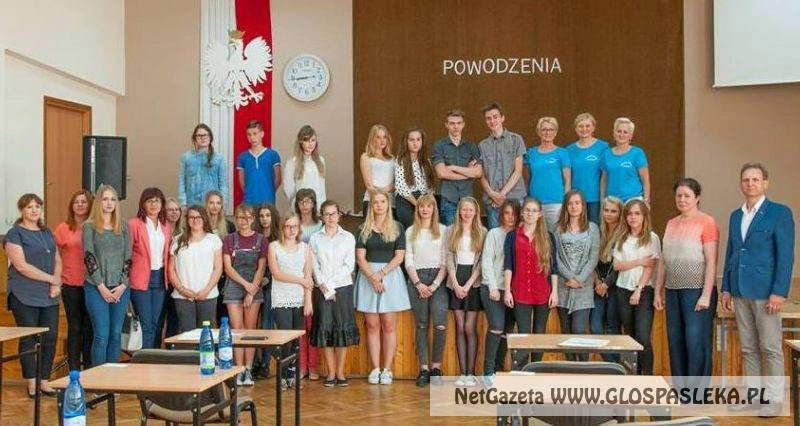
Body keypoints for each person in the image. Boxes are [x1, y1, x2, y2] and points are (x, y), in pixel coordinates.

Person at [721, 163, 795, 417]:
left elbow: (785, 256)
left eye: (755, 179)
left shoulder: (779, 213)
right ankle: (754, 398)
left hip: (766, 293)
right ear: (741, 184)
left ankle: (774, 400)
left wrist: (779, 292)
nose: (750, 184)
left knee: (770, 348)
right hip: (740, 291)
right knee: (748, 348)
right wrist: (726, 288)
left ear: (765, 183)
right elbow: (731, 253)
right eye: (746, 180)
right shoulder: (736, 215)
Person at [654, 178, 719, 379]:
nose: (682, 199)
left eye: (687, 196)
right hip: (673, 290)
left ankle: (696, 392)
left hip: (697, 291)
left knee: (695, 341)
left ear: (697, 198)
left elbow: (711, 261)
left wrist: (706, 295)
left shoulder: (707, 222)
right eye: (679, 195)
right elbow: (663, 260)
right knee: (676, 341)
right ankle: (681, 390)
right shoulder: (671, 223)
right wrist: (658, 291)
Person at [4, 194, 60, 396]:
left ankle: (44, 381)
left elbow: (57, 258)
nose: (34, 210)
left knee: (50, 338)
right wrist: (51, 279)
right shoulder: (14, 233)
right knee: (29, 339)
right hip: (24, 294)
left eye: (37, 206)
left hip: (49, 294)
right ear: (22, 210)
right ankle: (32, 383)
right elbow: (21, 266)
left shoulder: (47, 232)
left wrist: (56, 282)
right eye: (29, 207)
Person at [355, 189, 409, 385]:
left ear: (388, 205)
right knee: (372, 325)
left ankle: (387, 369)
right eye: (375, 202)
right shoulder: (363, 228)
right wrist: (372, 277)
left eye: (382, 202)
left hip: (390, 277)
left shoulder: (398, 227)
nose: (379, 205)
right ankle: (375, 368)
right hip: (368, 277)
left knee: (388, 325)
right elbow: (360, 257)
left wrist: (382, 274)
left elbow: (400, 256)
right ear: (371, 205)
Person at [309, 200, 360, 387]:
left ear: (339, 215)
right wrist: (323, 285)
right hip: (322, 289)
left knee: (341, 330)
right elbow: (314, 264)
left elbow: (349, 265)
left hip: (342, 288)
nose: (330, 217)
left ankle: (340, 372)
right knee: (326, 329)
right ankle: (330, 373)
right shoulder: (315, 238)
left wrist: (330, 285)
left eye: (333, 213)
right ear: (322, 216)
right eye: (326, 214)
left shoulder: (348, 237)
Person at [504, 197, 558, 369]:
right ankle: (522, 372)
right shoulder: (512, 236)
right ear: (522, 213)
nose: (530, 213)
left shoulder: (548, 237)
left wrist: (555, 292)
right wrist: (507, 290)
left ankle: (536, 369)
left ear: (540, 214)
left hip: (542, 292)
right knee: (523, 334)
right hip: (520, 292)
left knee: (539, 334)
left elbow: (553, 268)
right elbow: (508, 265)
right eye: (527, 210)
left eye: (534, 210)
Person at [82, 185, 131, 367]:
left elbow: (128, 257)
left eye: (112, 199)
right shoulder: (89, 226)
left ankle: (113, 378)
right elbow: (89, 257)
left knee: (115, 334)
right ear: (98, 202)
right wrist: (101, 287)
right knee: (102, 335)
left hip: (121, 288)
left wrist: (123, 285)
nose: (109, 203)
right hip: (96, 287)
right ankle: (98, 379)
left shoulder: (124, 226)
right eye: (105, 199)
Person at [403, 194, 448, 386]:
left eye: (429, 206)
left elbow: (446, 261)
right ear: (418, 209)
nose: (425, 209)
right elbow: (408, 260)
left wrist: (435, 284)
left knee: (440, 324)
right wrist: (418, 284)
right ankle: (424, 369)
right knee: (421, 325)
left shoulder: (443, 230)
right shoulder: (410, 231)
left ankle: (436, 367)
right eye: (422, 206)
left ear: (434, 209)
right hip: (417, 279)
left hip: (438, 280)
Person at [222, 204, 268, 386]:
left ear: (253, 219)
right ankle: (238, 369)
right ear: (235, 218)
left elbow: (261, 268)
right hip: (234, 285)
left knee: (250, 330)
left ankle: (248, 369)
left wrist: (252, 289)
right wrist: (246, 285)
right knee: (237, 329)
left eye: (248, 217)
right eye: (241, 217)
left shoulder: (261, 240)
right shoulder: (228, 239)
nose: (244, 221)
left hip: (254, 287)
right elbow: (228, 268)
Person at [612, 199, 660, 375]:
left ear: (644, 216)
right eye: (630, 214)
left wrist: (638, 290)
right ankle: (633, 376)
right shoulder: (621, 237)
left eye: (637, 213)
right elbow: (617, 265)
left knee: (643, 337)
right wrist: (639, 261)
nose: (633, 217)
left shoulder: (652, 238)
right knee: (629, 337)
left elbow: (650, 266)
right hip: (623, 290)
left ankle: (647, 377)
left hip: (643, 291)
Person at [269, 212, 314, 390]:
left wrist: (308, 301)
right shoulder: (274, 247)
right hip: (281, 298)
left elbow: (308, 276)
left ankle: (292, 375)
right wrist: (300, 280)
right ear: (282, 228)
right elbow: (276, 274)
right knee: (285, 339)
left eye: (294, 226)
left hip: (300, 299)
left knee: (296, 340)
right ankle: (282, 374)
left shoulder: (305, 247)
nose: (291, 229)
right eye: (288, 226)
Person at [554, 190, 600, 361]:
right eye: (570, 203)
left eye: (577, 203)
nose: (574, 206)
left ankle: (584, 369)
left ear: (583, 206)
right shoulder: (558, 229)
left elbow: (593, 258)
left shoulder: (592, 228)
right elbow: (555, 258)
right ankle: (570, 368)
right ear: (566, 206)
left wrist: (579, 279)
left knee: (579, 331)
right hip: (563, 286)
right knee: (566, 334)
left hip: (583, 287)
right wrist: (570, 278)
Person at [446, 197, 486, 387]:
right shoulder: (451, 230)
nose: (467, 213)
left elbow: (481, 263)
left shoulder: (483, 232)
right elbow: (448, 257)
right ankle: (463, 373)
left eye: (470, 209)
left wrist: (468, 285)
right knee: (460, 327)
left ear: (475, 212)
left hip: (473, 281)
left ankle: (471, 373)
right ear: (459, 211)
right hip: (455, 278)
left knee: (470, 327)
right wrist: (455, 283)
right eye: (464, 209)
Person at [480, 199, 520, 383]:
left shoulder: (520, 234)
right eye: (507, 213)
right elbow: (487, 261)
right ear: (501, 214)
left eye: (514, 214)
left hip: (512, 290)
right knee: (496, 327)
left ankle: (498, 369)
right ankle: (488, 372)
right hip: (493, 288)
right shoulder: (493, 234)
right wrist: (493, 287)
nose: (510, 217)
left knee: (506, 331)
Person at [54, 189, 94, 371]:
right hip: (70, 283)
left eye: (83, 202)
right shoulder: (63, 228)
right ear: (71, 206)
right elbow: (52, 253)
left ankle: (90, 369)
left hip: (93, 283)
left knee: (90, 328)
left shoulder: (95, 226)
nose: (80, 205)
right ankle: (74, 371)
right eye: (76, 202)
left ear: (90, 205)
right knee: (75, 327)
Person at [128, 187, 171, 350]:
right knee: (146, 324)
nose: (154, 204)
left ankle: (153, 358)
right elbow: (127, 254)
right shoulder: (134, 224)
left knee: (156, 323)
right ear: (143, 204)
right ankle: (145, 361)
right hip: (140, 280)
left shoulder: (165, 226)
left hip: (160, 278)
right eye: (149, 201)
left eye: (157, 201)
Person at [169, 205, 223, 332]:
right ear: (187, 219)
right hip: (183, 297)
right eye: (192, 217)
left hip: (208, 294)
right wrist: (182, 290)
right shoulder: (177, 240)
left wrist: (206, 290)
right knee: (187, 335)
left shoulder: (213, 240)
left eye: (198, 217)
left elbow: (218, 268)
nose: (195, 220)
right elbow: (171, 270)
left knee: (206, 334)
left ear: (204, 219)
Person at [478, 103, 526, 229]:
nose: (492, 121)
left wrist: (501, 195)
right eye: (488, 118)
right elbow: (481, 175)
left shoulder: (516, 140)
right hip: (492, 201)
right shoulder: (482, 145)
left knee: (516, 236)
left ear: (502, 118)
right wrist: (492, 194)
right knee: (495, 236)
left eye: (495, 117)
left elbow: (518, 171)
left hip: (515, 198)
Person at [431, 109, 483, 225]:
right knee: (450, 234)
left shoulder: (471, 147)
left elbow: (478, 173)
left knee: (467, 233)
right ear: (446, 125)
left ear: (463, 124)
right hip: (448, 200)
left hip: (468, 200)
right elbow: (441, 173)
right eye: (452, 123)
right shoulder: (439, 146)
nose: (456, 126)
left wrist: (453, 167)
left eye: (459, 123)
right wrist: (468, 173)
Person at [590, 196, 624, 362]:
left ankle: (616, 368)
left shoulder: (624, 235)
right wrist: (598, 282)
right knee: (595, 328)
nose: (609, 214)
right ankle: (613, 364)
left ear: (620, 213)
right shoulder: (598, 232)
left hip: (615, 287)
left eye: (613, 211)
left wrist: (606, 284)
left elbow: (620, 266)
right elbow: (592, 261)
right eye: (606, 210)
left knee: (612, 329)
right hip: (597, 287)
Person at [524, 117, 571, 230]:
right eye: (544, 129)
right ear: (538, 132)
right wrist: (527, 200)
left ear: (555, 132)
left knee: (555, 235)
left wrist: (566, 202)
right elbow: (527, 179)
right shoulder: (531, 153)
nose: (547, 133)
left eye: (551, 129)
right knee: (536, 235)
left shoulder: (562, 153)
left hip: (556, 202)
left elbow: (567, 180)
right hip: (535, 203)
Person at [294, 188, 322, 380]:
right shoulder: (293, 224)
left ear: (313, 204)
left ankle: (313, 366)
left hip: (317, 279)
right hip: (297, 279)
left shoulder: (320, 224)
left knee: (313, 325)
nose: (305, 205)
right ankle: (301, 366)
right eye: (301, 201)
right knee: (300, 326)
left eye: (308, 201)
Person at [251, 203, 280, 379]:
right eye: (261, 216)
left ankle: (265, 364)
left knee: (266, 324)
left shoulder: (278, 237)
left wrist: (267, 278)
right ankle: (253, 362)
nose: (264, 219)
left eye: (268, 215)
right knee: (252, 325)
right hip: (255, 284)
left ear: (273, 217)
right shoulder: (255, 237)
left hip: (272, 284)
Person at [567, 113, 609, 224]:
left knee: (595, 229)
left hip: (595, 198)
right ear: (576, 128)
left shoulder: (603, 147)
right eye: (580, 126)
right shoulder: (569, 150)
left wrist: (603, 198)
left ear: (593, 127)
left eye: (587, 126)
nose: (584, 129)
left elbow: (605, 175)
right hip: (576, 200)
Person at [601, 117, 650, 204]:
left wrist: (646, 201)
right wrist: (602, 200)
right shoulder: (606, 154)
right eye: (619, 131)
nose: (621, 134)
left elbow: (645, 181)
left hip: (633, 201)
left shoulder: (637, 153)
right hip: (612, 202)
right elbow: (604, 180)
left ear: (630, 136)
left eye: (625, 132)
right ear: (614, 133)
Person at [178, 123, 228, 206]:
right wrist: (182, 203)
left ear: (210, 137)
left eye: (205, 135)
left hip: (212, 205)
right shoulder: (186, 157)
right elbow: (181, 182)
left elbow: (223, 185)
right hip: (192, 204)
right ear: (195, 138)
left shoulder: (219, 159)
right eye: (199, 135)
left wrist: (222, 204)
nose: (203, 138)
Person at [394, 126, 434, 229]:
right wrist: (417, 204)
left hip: (423, 198)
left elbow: (430, 186)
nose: (415, 143)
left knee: (427, 227)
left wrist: (429, 202)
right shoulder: (400, 161)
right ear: (406, 142)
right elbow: (401, 187)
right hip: (406, 199)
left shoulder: (426, 161)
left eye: (418, 139)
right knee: (411, 228)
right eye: (411, 140)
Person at [205, 190, 234, 323]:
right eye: (211, 203)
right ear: (206, 204)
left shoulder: (229, 226)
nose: (215, 206)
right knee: (208, 316)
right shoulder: (201, 224)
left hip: (224, 276)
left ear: (222, 205)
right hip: (206, 274)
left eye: (218, 203)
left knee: (223, 315)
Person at [237, 119, 282, 205]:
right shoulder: (243, 157)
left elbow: (278, 179)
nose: (252, 137)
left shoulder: (273, 155)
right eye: (249, 134)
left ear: (262, 134)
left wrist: (269, 191)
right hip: (249, 201)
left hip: (268, 200)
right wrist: (250, 192)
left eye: (255, 134)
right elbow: (241, 181)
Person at [283, 125, 327, 210]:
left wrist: (323, 207)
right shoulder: (292, 162)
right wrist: (296, 204)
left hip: (318, 207)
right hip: (301, 207)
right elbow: (288, 187)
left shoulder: (321, 160)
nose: (310, 144)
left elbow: (322, 187)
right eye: (306, 140)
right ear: (300, 142)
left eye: (313, 140)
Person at [160, 197, 183, 342]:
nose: (174, 212)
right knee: (159, 319)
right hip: (162, 280)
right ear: (164, 212)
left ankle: (170, 350)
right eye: (170, 210)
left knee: (175, 320)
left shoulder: (184, 232)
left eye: (176, 209)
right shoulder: (159, 230)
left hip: (178, 280)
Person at [359, 124, 396, 215]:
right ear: (372, 139)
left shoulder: (392, 158)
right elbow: (369, 185)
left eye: (384, 137)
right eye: (378, 137)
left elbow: (397, 183)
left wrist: (384, 190)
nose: (382, 140)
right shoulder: (366, 157)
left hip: (391, 203)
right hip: (373, 202)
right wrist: (381, 194)